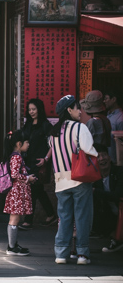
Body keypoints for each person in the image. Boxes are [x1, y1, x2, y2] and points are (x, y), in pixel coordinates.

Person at [49, 94, 98, 265]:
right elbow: (89, 150)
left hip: (60, 180)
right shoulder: (80, 128)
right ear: (69, 110)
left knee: (64, 217)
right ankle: (82, 254)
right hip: (79, 178)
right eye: (78, 108)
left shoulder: (53, 132)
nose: (80, 111)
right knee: (82, 217)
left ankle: (61, 253)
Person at [20, 98, 57, 229]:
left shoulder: (45, 125)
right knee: (38, 190)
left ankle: (28, 221)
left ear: (39, 110)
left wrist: (46, 159)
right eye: (29, 109)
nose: (31, 112)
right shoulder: (28, 124)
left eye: (34, 109)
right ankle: (51, 215)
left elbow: (54, 144)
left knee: (32, 189)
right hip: (28, 161)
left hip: (39, 162)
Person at [2, 130, 35, 256]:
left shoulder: (15, 156)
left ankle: (13, 244)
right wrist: (28, 178)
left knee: (14, 218)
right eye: (27, 142)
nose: (28, 145)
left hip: (16, 191)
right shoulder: (16, 157)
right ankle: (11, 247)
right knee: (14, 219)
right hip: (17, 191)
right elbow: (15, 174)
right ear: (19, 144)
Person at [92, 143, 123, 253]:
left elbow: (117, 195)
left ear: (109, 157)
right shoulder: (95, 178)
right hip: (109, 213)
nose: (102, 159)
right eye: (98, 156)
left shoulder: (119, 172)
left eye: (104, 155)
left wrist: (96, 192)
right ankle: (114, 236)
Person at [104, 90, 123, 163]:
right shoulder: (108, 115)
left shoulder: (120, 118)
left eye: (106, 98)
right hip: (108, 159)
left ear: (114, 99)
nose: (104, 101)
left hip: (116, 160)